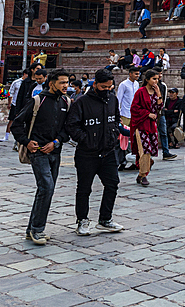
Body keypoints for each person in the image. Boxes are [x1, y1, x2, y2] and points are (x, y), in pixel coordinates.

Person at [12, 69, 71, 244]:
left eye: (67, 82)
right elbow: (17, 124)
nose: (65, 86)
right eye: (61, 82)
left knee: (46, 190)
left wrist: (57, 141)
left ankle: (32, 228)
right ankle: (37, 230)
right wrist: (26, 141)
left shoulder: (66, 102)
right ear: (51, 83)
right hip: (37, 152)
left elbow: (67, 129)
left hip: (55, 151)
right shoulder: (38, 100)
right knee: (46, 187)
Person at [65, 68, 124, 235]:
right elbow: (72, 126)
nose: (107, 90)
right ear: (95, 84)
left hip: (108, 151)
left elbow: (116, 118)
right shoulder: (82, 102)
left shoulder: (112, 99)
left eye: (109, 87)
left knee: (112, 184)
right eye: (104, 87)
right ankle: (82, 220)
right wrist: (86, 139)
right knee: (84, 188)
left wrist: (114, 134)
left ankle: (106, 219)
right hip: (87, 153)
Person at [129, 69, 163, 186]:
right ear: (147, 79)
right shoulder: (140, 92)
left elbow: (159, 108)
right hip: (141, 124)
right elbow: (134, 108)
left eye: (157, 79)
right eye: (154, 79)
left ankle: (140, 173)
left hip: (152, 125)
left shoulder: (156, 91)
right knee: (144, 150)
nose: (156, 81)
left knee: (151, 150)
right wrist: (147, 113)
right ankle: (144, 175)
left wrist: (159, 94)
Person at [115, 67, 140, 170]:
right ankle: (122, 160)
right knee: (123, 138)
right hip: (124, 114)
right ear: (130, 74)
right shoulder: (123, 84)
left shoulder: (137, 84)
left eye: (138, 74)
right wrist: (118, 115)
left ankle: (133, 160)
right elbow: (118, 99)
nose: (137, 76)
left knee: (134, 138)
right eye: (135, 74)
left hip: (134, 114)